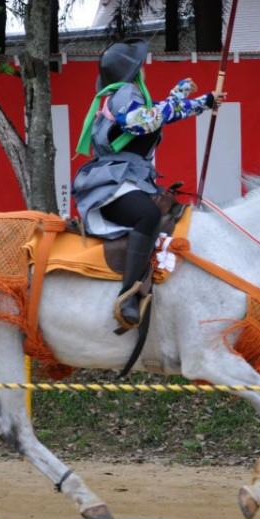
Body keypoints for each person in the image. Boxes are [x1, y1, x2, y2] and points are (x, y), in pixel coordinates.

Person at [73, 38, 223, 326]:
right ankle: (128, 294)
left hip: (131, 180)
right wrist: (176, 98)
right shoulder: (124, 94)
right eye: (140, 66)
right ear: (133, 71)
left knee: (168, 213)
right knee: (149, 215)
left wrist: (204, 102)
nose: (143, 70)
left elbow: (162, 114)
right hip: (114, 183)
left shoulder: (128, 96)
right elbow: (143, 121)